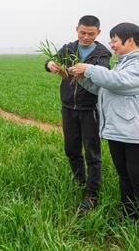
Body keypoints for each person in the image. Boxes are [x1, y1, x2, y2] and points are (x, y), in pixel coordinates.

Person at [70, 22, 139, 239]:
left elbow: (119, 82)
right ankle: (129, 220)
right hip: (120, 133)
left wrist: (89, 68)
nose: (112, 45)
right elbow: (105, 87)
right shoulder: (122, 64)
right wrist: (82, 78)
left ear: (130, 40)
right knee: (125, 179)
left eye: (114, 40)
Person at [45, 15, 111, 211]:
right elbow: (51, 61)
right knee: (71, 149)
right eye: (82, 32)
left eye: (91, 34)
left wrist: (87, 69)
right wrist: (50, 65)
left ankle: (92, 194)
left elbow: (103, 75)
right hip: (68, 107)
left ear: (98, 33)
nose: (86, 37)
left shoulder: (102, 53)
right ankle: (80, 182)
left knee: (92, 152)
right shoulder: (69, 48)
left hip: (89, 109)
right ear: (77, 30)